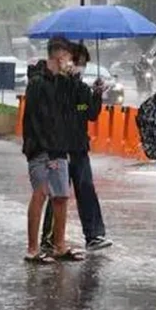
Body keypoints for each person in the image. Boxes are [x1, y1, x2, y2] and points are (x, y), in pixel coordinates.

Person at [40, 43, 113, 253]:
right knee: (58, 193)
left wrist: (96, 94)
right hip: (59, 148)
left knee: (86, 188)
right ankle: (49, 237)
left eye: (83, 64)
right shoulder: (54, 82)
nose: (80, 67)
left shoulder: (80, 86)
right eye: (77, 62)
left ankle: (94, 234)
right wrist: (71, 89)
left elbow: (88, 112)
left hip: (79, 147)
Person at [22, 36, 85, 263]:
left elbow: (79, 106)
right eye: (67, 56)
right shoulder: (38, 82)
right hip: (41, 148)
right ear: (58, 56)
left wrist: (76, 81)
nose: (69, 61)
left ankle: (60, 245)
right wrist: (43, 148)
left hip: (60, 147)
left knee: (61, 197)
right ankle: (32, 249)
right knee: (40, 194)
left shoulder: (63, 81)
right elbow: (36, 117)